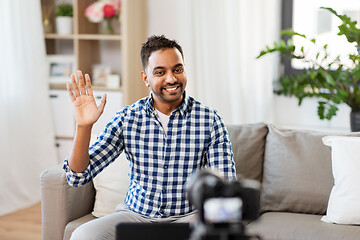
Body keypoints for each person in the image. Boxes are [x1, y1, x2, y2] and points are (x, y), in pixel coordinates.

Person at [64, 35, 236, 240]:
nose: (171, 79)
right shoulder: (127, 118)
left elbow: (226, 186)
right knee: (83, 235)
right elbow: (78, 176)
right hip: (135, 216)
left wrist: (204, 218)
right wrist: (84, 126)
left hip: (189, 218)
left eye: (177, 69)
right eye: (160, 72)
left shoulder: (209, 120)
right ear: (146, 78)